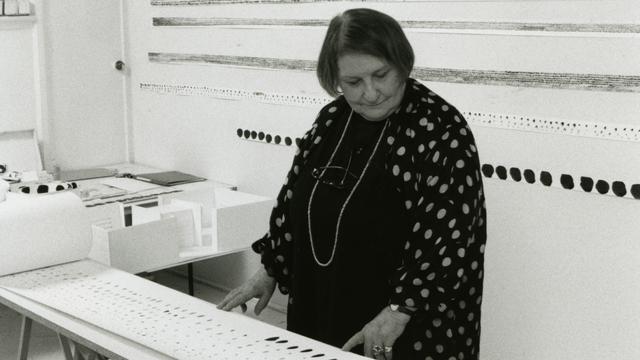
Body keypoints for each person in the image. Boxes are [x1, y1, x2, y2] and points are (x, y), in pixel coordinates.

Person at [218, 8, 486, 360]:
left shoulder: (440, 129)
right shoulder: (332, 120)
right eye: (353, 82)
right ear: (335, 79)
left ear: (402, 63)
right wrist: (269, 270)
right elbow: (294, 202)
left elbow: (452, 242)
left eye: (381, 75)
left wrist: (399, 311)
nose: (371, 93)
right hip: (322, 309)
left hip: (404, 326)